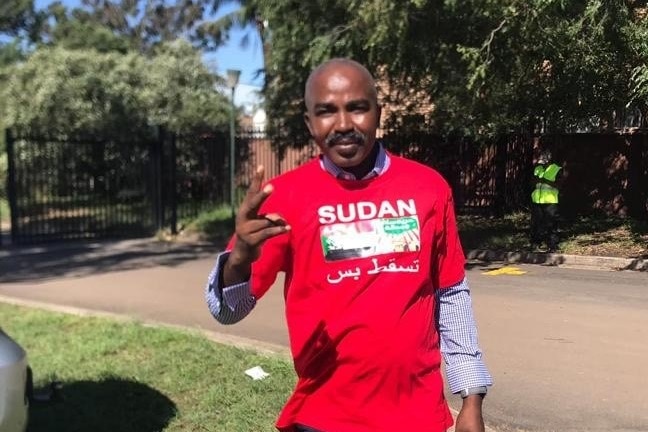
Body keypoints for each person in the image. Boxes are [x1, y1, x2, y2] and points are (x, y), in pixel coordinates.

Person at [205, 58, 492, 432]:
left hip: (419, 417)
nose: (343, 125)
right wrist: (240, 258)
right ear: (309, 123)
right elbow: (227, 311)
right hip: (323, 419)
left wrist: (470, 397)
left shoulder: (428, 188)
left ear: (378, 113)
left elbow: (451, 295)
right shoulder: (284, 199)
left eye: (357, 107)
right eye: (326, 112)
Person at [530, 150, 562, 252]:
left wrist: (546, 181)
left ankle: (552, 245)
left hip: (550, 201)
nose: (542, 164)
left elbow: (559, 185)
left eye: (544, 162)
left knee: (551, 224)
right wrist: (536, 180)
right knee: (536, 224)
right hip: (537, 201)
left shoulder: (556, 169)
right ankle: (535, 244)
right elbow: (532, 182)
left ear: (549, 160)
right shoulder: (538, 169)